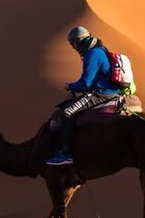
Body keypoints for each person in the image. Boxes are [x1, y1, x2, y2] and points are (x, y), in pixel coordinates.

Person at [45, 26, 122, 166]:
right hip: (110, 92)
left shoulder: (92, 54)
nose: (73, 47)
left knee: (66, 113)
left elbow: (86, 82)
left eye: (73, 43)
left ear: (80, 41)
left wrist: (71, 86)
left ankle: (65, 153)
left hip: (102, 95)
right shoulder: (100, 49)